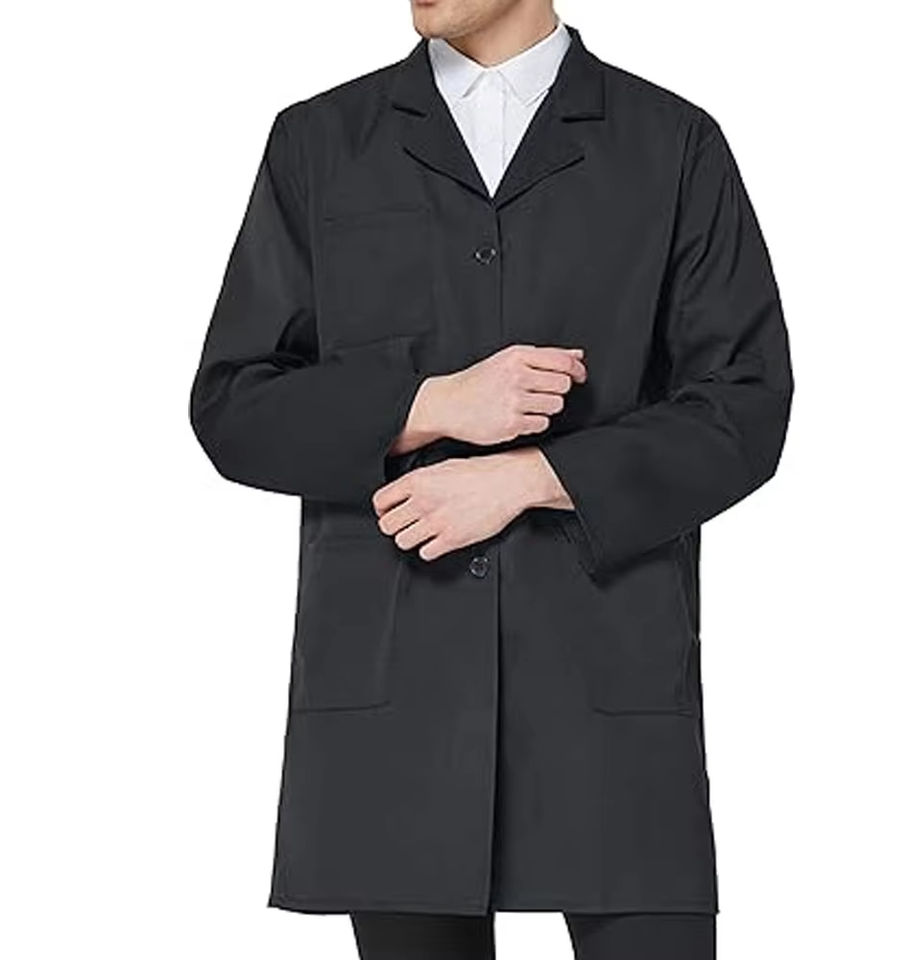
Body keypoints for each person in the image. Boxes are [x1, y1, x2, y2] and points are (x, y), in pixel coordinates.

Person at [189, 0, 793, 956]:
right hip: (397, 698)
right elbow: (233, 407)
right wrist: (429, 404)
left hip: (606, 681)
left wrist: (534, 477)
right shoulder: (320, 141)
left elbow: (745, 407)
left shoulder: (672, 144)